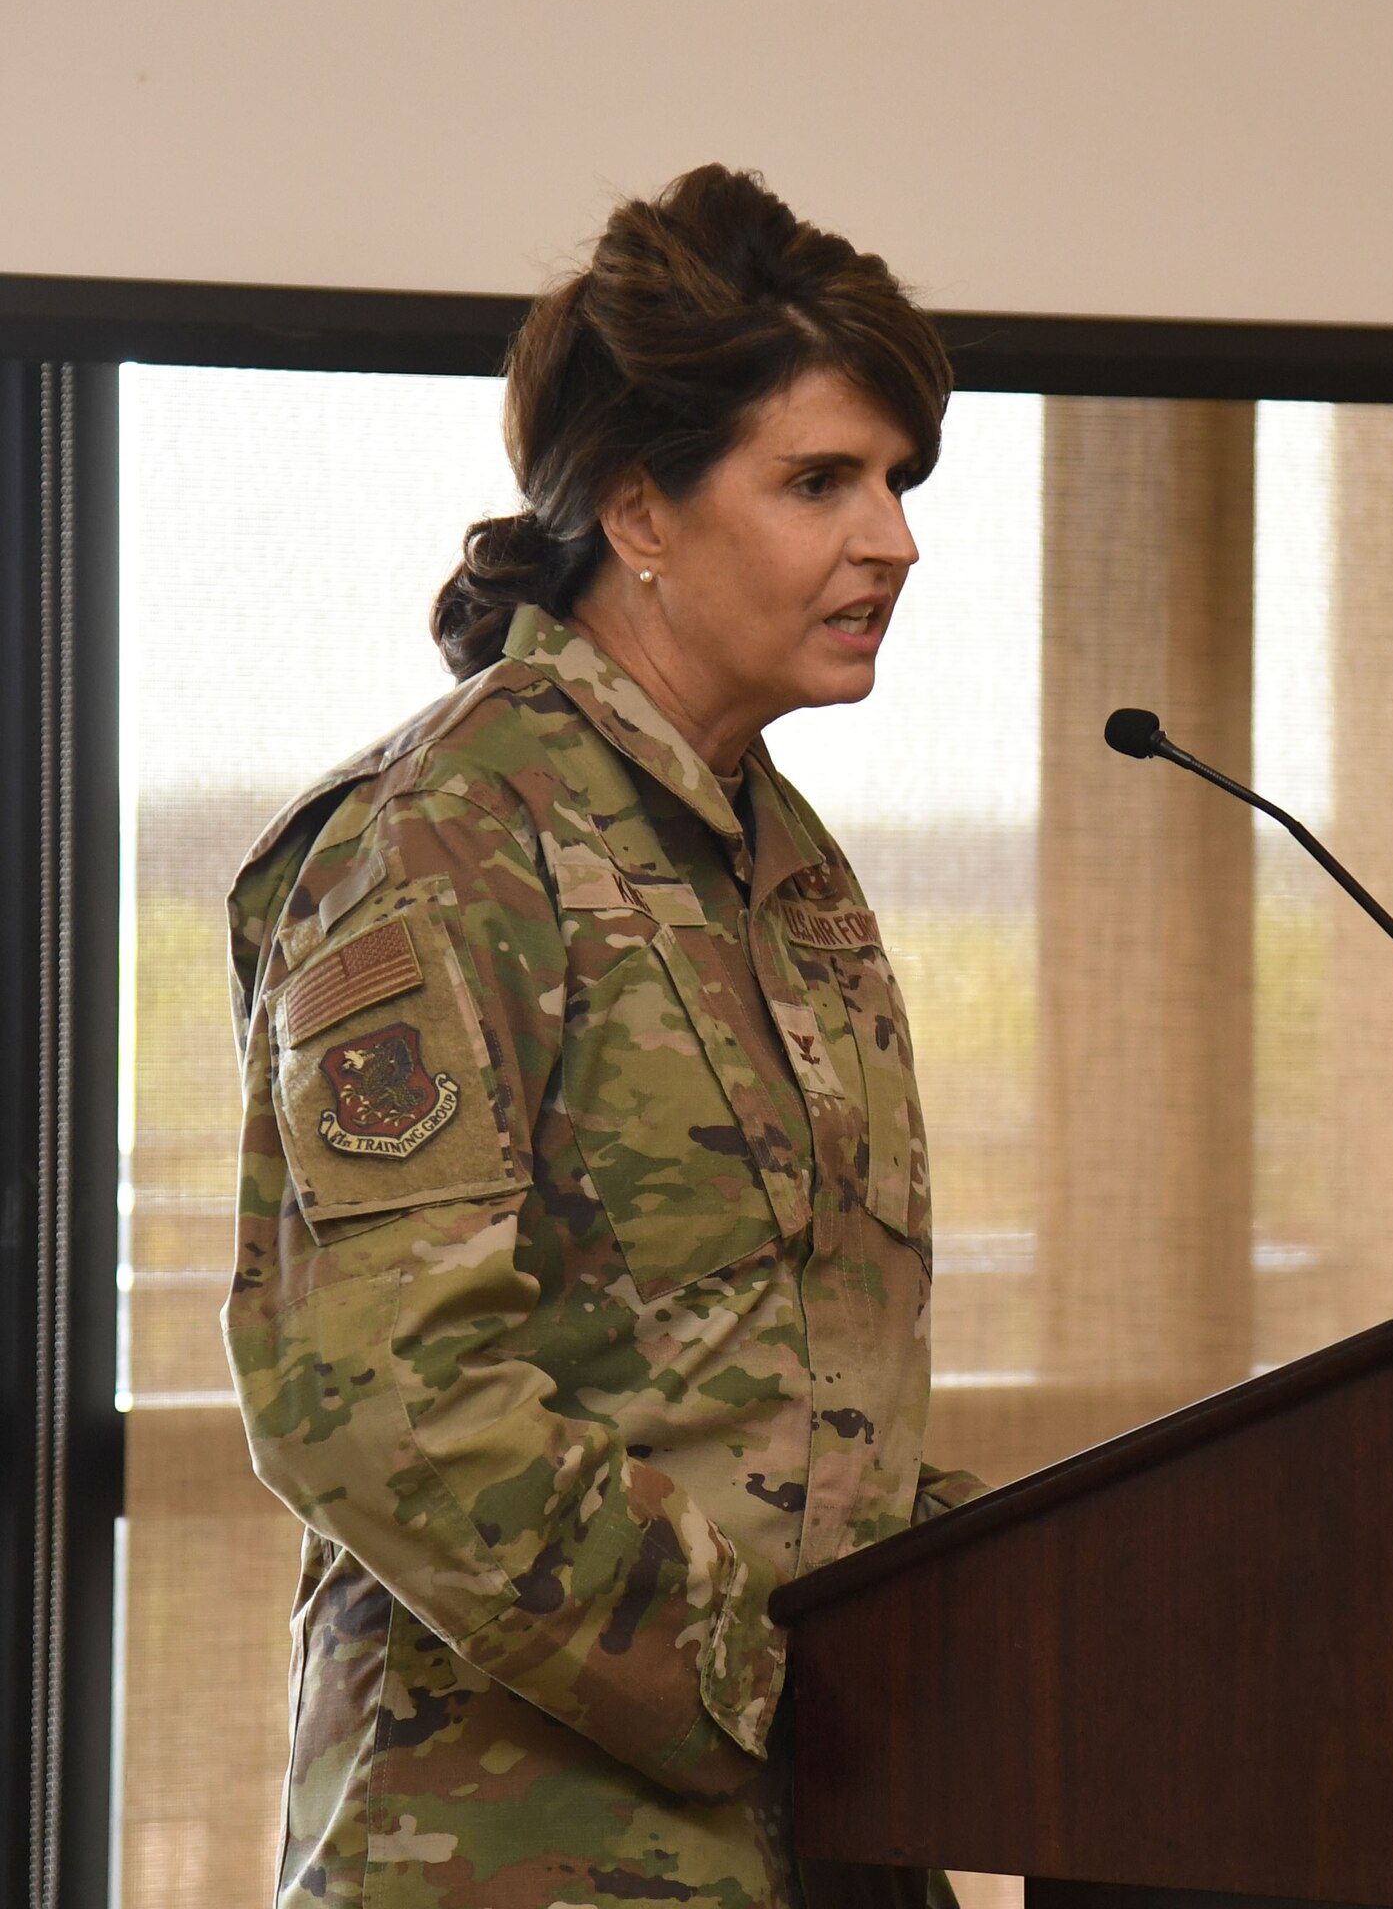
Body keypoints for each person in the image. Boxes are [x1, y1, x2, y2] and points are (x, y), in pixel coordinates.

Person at [225, 163, 987, 1909]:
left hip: (837, 1843)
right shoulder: (444, 840)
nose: (895, 538)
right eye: (821, 480)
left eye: (897, 480)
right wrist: (778, 1692)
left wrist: (1018, 1615)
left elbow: (800, 1390)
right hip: (525, 1856)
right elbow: (379, 1399)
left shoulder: (786, 865)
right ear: (638, 511)